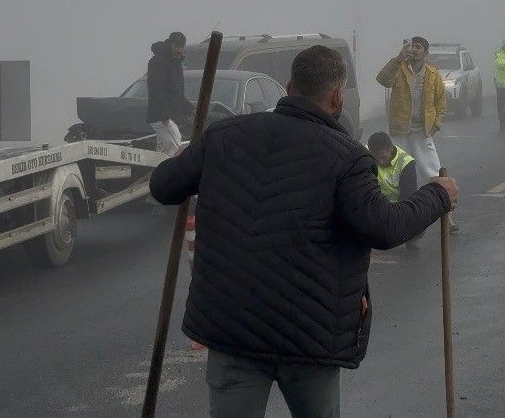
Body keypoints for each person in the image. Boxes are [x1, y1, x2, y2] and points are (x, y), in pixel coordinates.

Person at [150, 46, 458, 417]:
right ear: (337, 96)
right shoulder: (347, 157)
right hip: (309, 337)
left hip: (232, 332)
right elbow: (385, 227)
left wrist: (191, 152)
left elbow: (163, 186)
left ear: (288, 86)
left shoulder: (222, 137)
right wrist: (437, 195)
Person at [376, 36, 459, 232]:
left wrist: (435, 124)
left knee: (434, 173)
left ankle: (447, 216)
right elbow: (382, 80)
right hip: (400, 130)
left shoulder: (432, 73)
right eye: (411, 46)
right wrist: (398, 58)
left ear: (425, 52)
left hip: (422, 131)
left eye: (418, 47)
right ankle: (389, 218)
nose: (413, 50)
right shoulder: (399, 67)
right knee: (392, 174)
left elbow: (441, 102)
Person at [367, 131, 425, 249]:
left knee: (417, 219)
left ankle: (406, 236)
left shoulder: (406, 162)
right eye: (376, 159)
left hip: (396, 207)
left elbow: (408, 195)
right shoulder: (365, 155)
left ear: (390, 149)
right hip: (375, 204)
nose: (380, 162)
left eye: (383, 158)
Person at [146, 31, 192, 155]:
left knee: (163, 153)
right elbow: (155, 89)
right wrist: (163, 115)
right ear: (169, 45)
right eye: (176, 46)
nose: (179, 50)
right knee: (176, 148)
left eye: (182, 47)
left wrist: (190, 109)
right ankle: (173, 173)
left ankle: (157, 172)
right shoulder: (158, 61)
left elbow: (177, 93)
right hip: (161, 116)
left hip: (170, 115)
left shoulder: (176, 63)